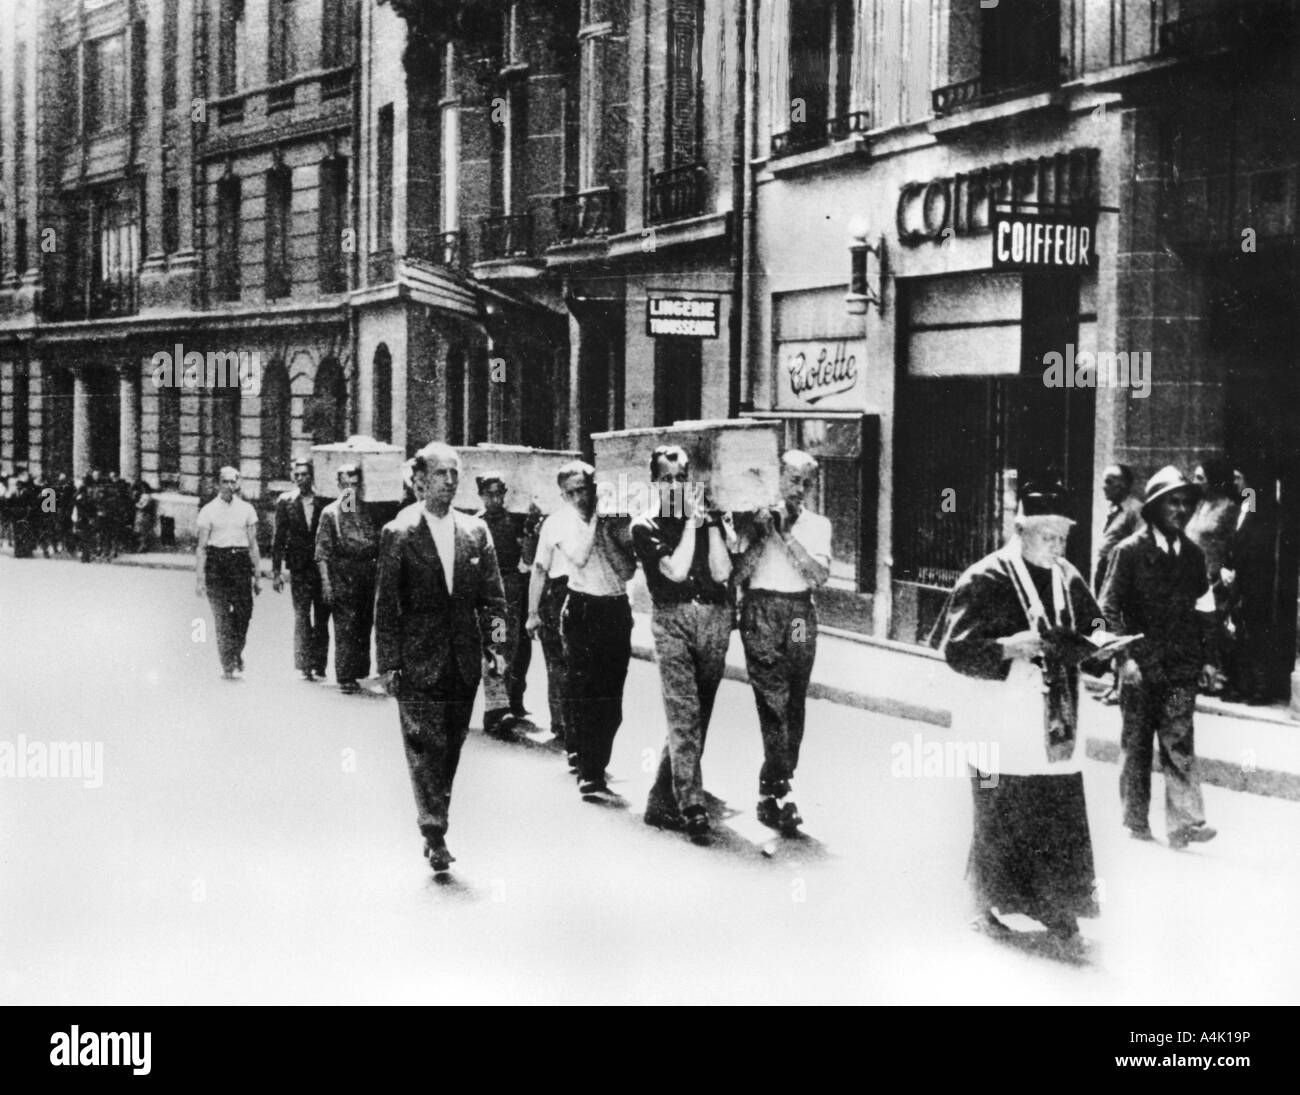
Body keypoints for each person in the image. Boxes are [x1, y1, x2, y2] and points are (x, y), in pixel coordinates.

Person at [940, 483, 1102, 951]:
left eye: (1062, 538)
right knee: (1000, 810)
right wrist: (1007, 647)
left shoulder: (1068, 577)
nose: (1057, 546)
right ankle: (981, 904)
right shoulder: (987, 578)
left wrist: (1108, 649)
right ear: (1021, 530)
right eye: (1048, 536)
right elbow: (957, 650)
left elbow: (1094, 626)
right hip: (1001, 716)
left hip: (1055, 719)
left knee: (1056, 809)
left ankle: (1054, 902)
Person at [375, 442, 508, 874]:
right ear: (419, 481)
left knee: (450, 744)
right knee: (423, 745)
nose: (450, 481)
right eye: (440, 473)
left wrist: (497, 649)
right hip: (416, 658)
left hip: (462, 659)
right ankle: (434, 832)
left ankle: (437, 820)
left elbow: (494, 601)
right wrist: (388, 663)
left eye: (455, 473)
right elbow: (386, 605)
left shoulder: (475, 532)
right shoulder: (399, 532)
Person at [1100, 465, 1218, 849]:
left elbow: (1205, 611)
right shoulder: (1129, 552)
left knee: (1179, 739)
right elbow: (1108, 609)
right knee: (1136, 744)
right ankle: (1136, 819)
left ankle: (1185, 822)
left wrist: (1207, 659)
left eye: (1186, 504)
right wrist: (1124, 659)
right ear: (1154, 507)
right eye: (1173, 503)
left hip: (1181, 666)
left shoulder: (1194, 557)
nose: (1181, 510)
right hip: (1139, 665)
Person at [632, 445, 733, 838]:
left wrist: (709, 524)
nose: (675, 485)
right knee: (683, 713)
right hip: (672, 620)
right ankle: (692, 807)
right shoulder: (644, 525)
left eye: (681, 478)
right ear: (655, 483)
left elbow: (722, 571)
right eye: (667, 479)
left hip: (713, 619)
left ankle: (661, 798)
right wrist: (692, 525)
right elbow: (674, 571)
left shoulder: (708, 518)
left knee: (698, 713)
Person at [732, 451, 831, 834]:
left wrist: (785, 535)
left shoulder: (817, 525)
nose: (800, 489)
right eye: (793, 480)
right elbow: (736, 574)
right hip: (761, 613)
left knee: (793, 700)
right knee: (771, 701)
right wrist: (760, 535)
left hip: (798, 616)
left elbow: (818, 575)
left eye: (807, 482)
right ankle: (784, 791)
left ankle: (769, 789)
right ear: (778, 480)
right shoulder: (751, 520)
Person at [546, 460, 638, 798]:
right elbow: (580, 557)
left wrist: (612, 531)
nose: (577, 498)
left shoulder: (614, 520)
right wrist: (598, 522)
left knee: (611, 696)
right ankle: (589, 770)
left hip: (614, 609)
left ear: (594, 487)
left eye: (582, 490)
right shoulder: (561, 522)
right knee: (583, 689)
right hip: (582, 607)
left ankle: (596, 759)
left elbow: (628, 571)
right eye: (569, 493)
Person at [475, 471, 533, 736]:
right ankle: (499, 708)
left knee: (519, 648)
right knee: (498, 646)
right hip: (493, 597)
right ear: (481, 495)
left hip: (514, 591)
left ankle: (514, 700)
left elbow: (527, 555)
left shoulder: (515, 522)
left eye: (500, 493)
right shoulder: (477, 525)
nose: (495, 499)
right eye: (490, 494)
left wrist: (532, 525)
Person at [315, 464, 380, 694]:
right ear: (338, 485)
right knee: (345, 626)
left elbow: (375, 542)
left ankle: (361, 670)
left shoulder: (366, 511)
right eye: (345, 484)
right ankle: (345, 676)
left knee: (364, 623)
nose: (350, 488)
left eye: (354, 484)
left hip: (366, 575)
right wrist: (326, 584)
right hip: (342, 574)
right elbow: (322, 553)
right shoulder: (330, 514)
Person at [525, 487, 575, 767]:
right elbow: (538, 568)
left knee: (570, 663)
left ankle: (570, 722)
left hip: (579, 592)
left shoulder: (596, 520)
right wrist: (533, 611)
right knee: (556, 661)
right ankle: (561, 721)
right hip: (554, 594)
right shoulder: (551, 523)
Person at [195, 467, 261, 680]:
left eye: (234, 482)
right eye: (226, 482)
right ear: (218, 484)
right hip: (217, 564)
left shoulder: (247, 510)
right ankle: (227, 664)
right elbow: (202, 547)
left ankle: (236, 651)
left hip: (240, 563)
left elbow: (253, 544)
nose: (230, 487)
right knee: (222, 618)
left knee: (244, 614)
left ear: (238, 483)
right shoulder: (208, 511)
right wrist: (200, 579)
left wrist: (257, 575)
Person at [1221, 463, 1279, 705]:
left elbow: (1252, 545)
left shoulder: (1261, 509)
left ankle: (1260, 688)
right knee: (1239, 633)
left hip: (1255, 582)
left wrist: (1237, 568)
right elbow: (1234, 541)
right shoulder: (1244, 506)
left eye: (1239, 478)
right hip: (1240, 580)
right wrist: (1227, 565)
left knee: (1255, 633)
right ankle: (1242, 686)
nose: (1235, 482)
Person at [272, 460, 330, 682]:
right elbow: (278, 539)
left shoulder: (325, 500)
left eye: (305, 474)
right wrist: (276, 572)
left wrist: (348, 490)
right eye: (297, 475)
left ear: (312, 476)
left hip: (321, 567)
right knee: (302, 615)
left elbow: (347, 514)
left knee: (323, 616)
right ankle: (305, 664)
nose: (300, 478)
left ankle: (320, 664)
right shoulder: (285, 502)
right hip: (298, 569)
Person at [1186, 459, 1238, 696]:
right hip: (1191, 573)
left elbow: (1233, 543)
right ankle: (1198, 675)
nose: (1195, 482)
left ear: (1214, 480)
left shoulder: (1228, 507)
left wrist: (1224, 571)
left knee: (1213, 627)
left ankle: (1219, 677)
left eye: (1200, 478)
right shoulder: (1197, 505)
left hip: (1212, 575)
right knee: (1193, 626)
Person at [1093, 464, 1142, 593]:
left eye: (1109, 482)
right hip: (1104, 568)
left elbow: (1140, 544)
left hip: (1118, 572)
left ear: (1123, 484)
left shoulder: (1135, 510)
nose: (1104, 487)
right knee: (1099, 608)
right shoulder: (1113, 510)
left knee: (1109, 608)